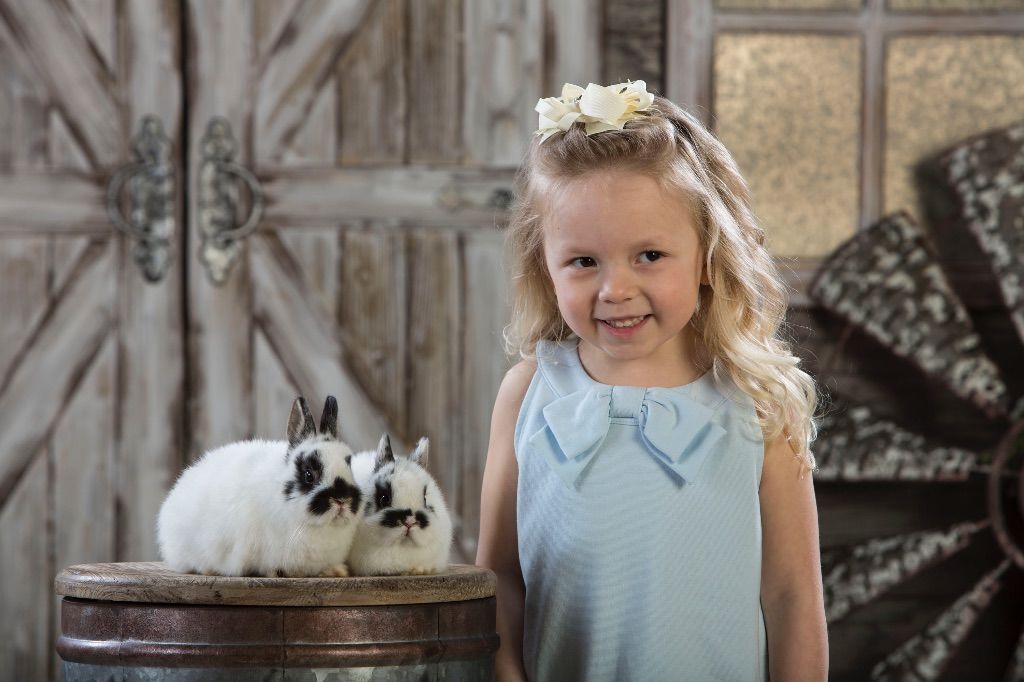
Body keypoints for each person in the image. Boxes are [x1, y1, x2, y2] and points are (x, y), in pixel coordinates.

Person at [476, 81, 828, 681]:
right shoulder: (528, 395)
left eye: (649, 256)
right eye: (584, 261)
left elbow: (793, 597)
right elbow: (499, 577)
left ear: (709, 256)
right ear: (547, 267)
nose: (616, 290)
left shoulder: (757, 405)